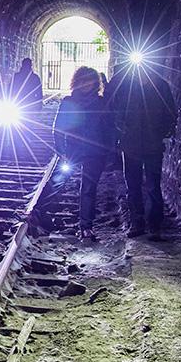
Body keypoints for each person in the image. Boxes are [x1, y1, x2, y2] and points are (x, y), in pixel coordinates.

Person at [108, 62, 176, 237]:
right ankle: (137, 223)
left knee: (153, 185)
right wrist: (121, 130)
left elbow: (170, 113)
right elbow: (114, 109)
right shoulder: (125, 86)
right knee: (133, 185)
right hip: (131, 144)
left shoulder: (161, 86)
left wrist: (161, 132)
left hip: (152, 144)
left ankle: (154, 226)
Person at [52, 66, 116, 239]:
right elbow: (58, 128)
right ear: (77, 82)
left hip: (96, 152)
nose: (87, 84)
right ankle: (39, 213)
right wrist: (61, 151)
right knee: (58, 181)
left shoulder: (102, 103)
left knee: (88, 189)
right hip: (74, 150)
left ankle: (86, 226)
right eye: (84, 80)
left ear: (96, 83)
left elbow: (109, 129)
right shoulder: (69, 101)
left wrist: (110, 152)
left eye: (90, 80)